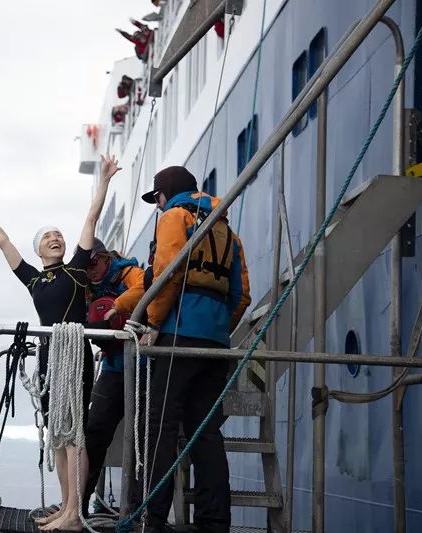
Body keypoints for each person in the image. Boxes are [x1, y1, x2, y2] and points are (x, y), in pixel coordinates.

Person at [0, 154, 121, 532]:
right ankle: (66, 508)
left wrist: (105, 181)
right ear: (38, 250)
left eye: (58, 234)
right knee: (58, 434)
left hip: (74, 354)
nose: (56, 237)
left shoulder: (77, 269)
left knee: (74, 433)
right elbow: (3, 241)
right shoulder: (33, 279)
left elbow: (91, 218)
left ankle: (74, 514)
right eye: (48, 236)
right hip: (49, 358)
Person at [138, 166, 251, 533]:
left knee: (161, 427)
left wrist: (154, 323)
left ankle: (152, 519)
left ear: (163, 195)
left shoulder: (175, 216)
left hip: (177, 338)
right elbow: (242, 296)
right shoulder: (227, 231)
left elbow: (168, 272)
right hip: (215, 344)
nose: (158, 206)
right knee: (206, 432)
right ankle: (214, 523)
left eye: (156, 199)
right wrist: (217, 330)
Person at [80, 238, 147, 513]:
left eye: (94, 263)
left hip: (144, 366)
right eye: (86, 266)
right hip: (112, 367)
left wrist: (117, 306)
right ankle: (78, 503)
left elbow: (147, 288)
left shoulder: (128, 273)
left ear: (107, 257)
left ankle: (137, 510)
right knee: (94, 433)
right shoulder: (86, 288)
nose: (91, 270)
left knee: (144, 440)